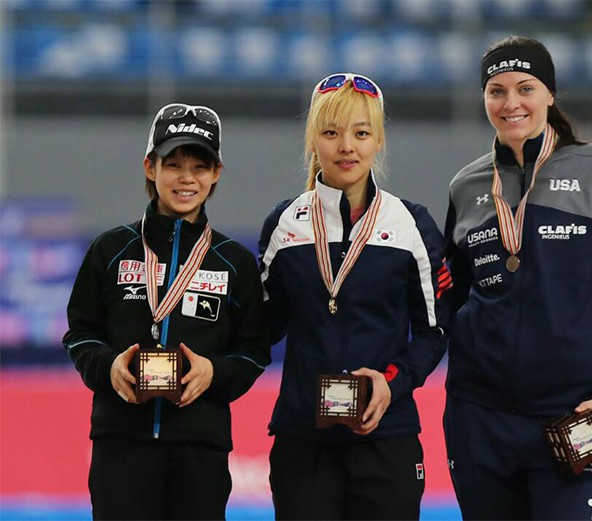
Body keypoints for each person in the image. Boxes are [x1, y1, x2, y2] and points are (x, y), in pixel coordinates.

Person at [442, 35, 592, 520]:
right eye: (496, 91)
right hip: (479, 420)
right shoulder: (466, 186)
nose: (511, 102)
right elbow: (446, 299)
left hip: (574, 416)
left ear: (550, 94)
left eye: (525, 87)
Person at [258, 73, 452, 520]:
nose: (347, 146)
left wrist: (392, 381)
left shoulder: (412, 225)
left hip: (387, 437)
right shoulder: (284, 225)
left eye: (361, 133)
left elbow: (434, 332)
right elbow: (261, 327)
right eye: (331, 133)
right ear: (312, 141)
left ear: (379, 140)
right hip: (302, 441)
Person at [62, 103, 271, 520]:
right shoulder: (110, 250)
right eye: (173, 164)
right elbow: (80, 333)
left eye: (199, 166)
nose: (187, 178)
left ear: (216, 174)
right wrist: (108, 367)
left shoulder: (234, 262)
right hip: (120, 444)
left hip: (201, 448)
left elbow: (254, 350)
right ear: (149, 167)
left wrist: (215, 374)